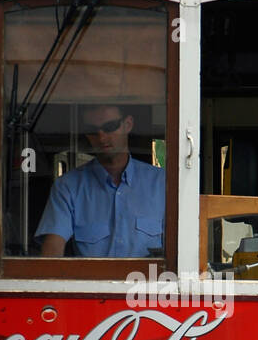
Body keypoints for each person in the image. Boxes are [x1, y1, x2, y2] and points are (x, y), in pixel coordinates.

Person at [36, 104, 165, 258]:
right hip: (90, 281)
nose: (101, 138)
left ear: (128, 124)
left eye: (110, 127)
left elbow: (183, 246)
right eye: (92, 131)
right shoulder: (68, 187)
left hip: (148, 280)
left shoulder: (162, 183)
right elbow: (52, 253)